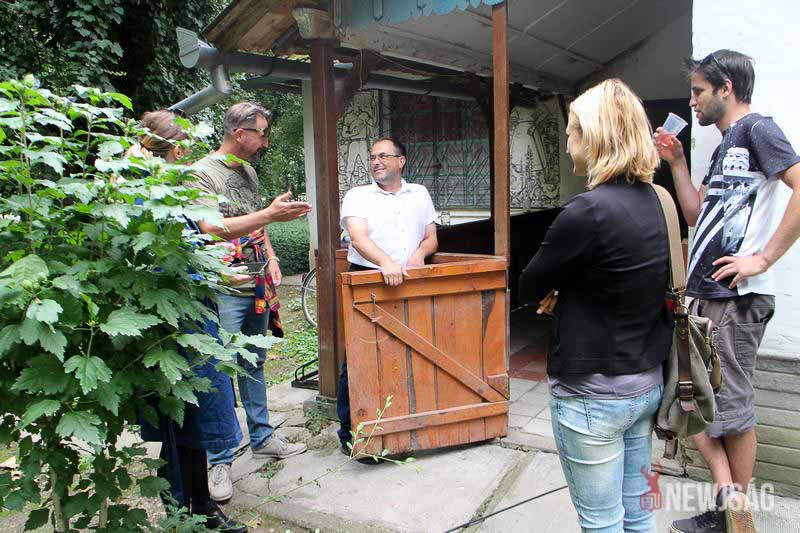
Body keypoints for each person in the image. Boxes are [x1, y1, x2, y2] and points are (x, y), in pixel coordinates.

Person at [655, 50, 800, 533]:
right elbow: (696, 215)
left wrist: (763, 259)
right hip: (708, 297)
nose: (692, 101)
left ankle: (730, 516)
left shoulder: (758, 129)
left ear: (726, 88)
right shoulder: (723, 147)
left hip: (736, 298)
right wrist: (677, 163)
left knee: (732, 409)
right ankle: (730, 506)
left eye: (698, 91)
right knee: (693, 399)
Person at [519, 79, 671, 532]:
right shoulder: (660, 201)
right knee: (639, 517)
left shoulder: (586, 211)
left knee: (602, 523)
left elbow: (529, 286)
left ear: (595, 137)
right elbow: (624, 277)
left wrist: (558, 291)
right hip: (646, 385)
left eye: (571, 132)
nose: (566, 144)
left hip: (593, 396)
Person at [189, 102, 312, 502]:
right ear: (239, 134)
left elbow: (256, 220)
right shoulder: (201, 174)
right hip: (222, 287)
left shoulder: (248, 172)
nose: (266, 142)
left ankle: (262, 438)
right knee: (219, 371)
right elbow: (210, 228)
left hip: (255, 284)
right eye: (261, 134)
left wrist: (272, 256)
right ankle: (219, 459)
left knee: (253, 363)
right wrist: (270, 215)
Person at [136, 110, 248, 533]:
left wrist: (214, 267)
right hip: (170, 328)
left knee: (195, 419)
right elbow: (158, 263)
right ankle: (181, 516)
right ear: (177, 149)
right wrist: (214, 275)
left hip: (193, 318)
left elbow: (186, 251)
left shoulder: (169, 192)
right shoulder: (145, 195)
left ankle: (201, 507)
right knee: (177, 421)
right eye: (186, 147)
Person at [337, 138, 438, 453]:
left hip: (411, 280)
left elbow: (431, 237)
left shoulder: (419, 193)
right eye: (372, 157)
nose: (376, 161)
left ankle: (403, 428)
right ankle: (351, 434)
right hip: (368, 278)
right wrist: (386, 262)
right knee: (361, 356)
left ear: (401, 161)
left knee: (410, 353)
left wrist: (419, 254)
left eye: (383, 156)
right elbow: (358, 238)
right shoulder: (358, 196)